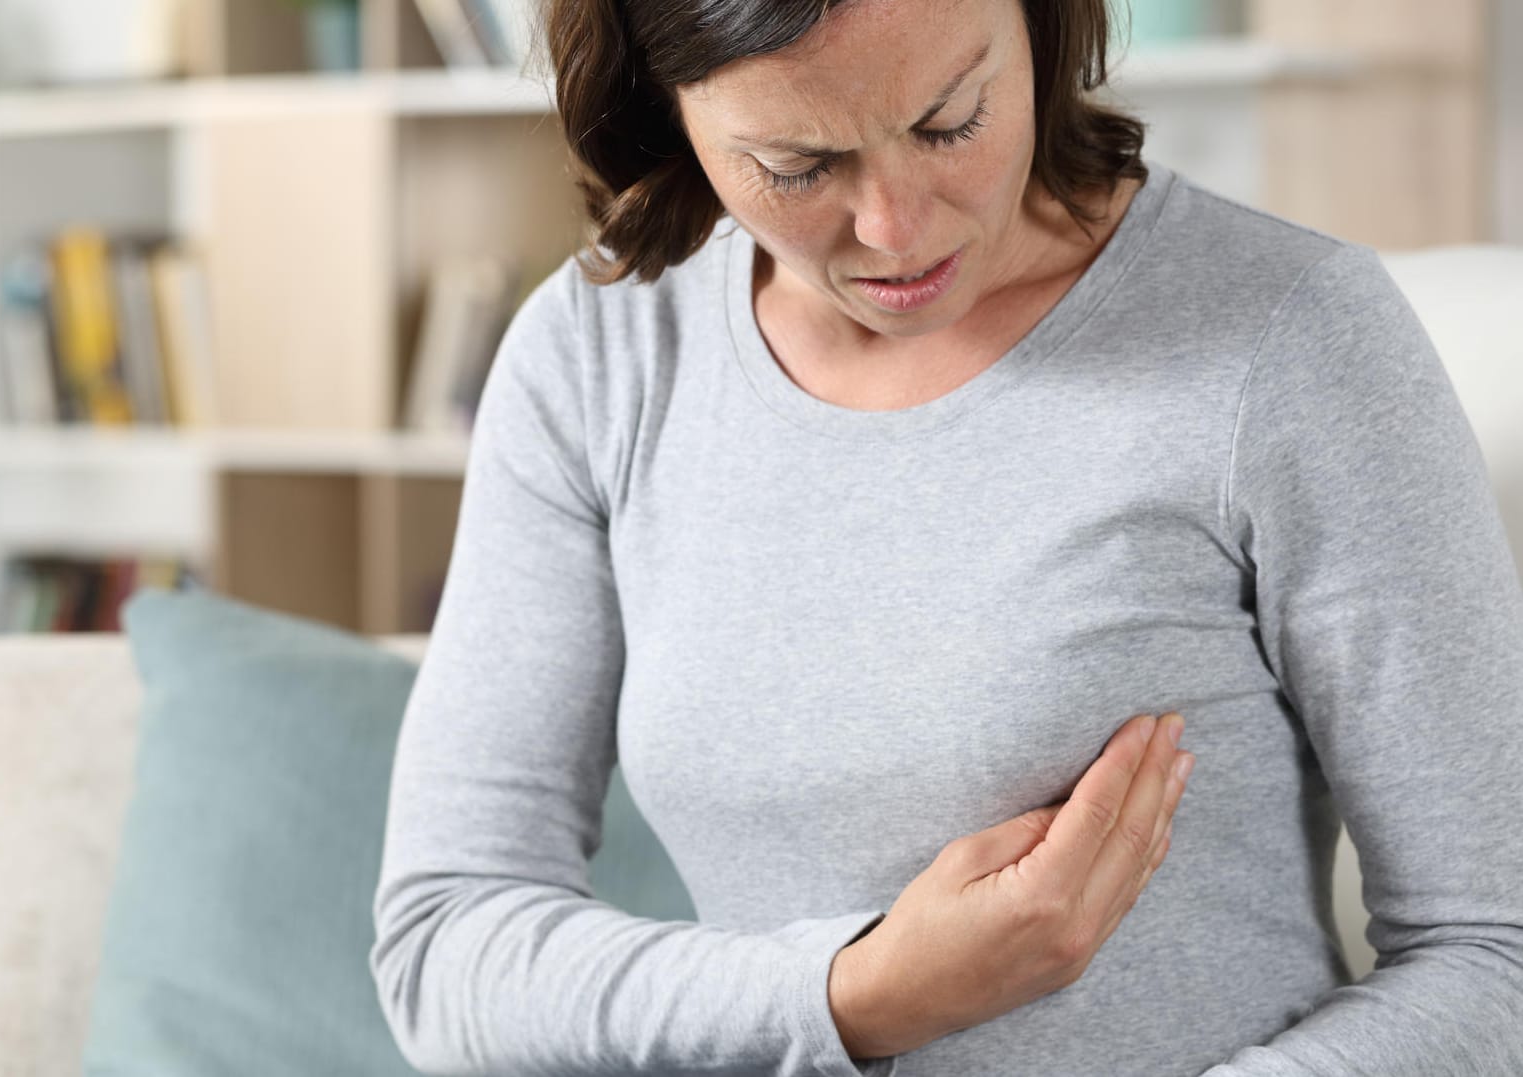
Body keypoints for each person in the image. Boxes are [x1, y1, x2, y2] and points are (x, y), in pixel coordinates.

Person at [368, 0, 1523, 1072]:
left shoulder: (1292, 337)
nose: (895, 227)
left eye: (950, 120)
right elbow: (444, 942)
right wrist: (856, 995)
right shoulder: (598, 356)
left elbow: (1494, 958)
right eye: (797, 165)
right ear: (660, 109)